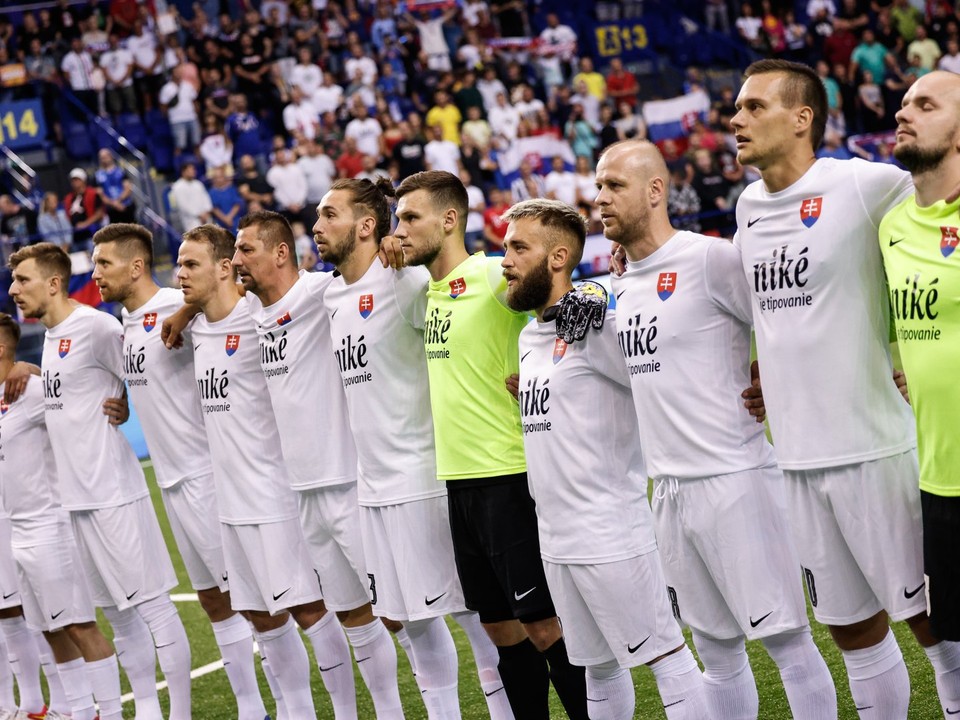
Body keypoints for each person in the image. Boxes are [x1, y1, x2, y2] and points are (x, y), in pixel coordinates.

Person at [730, 58, 960, 717]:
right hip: (797, 460)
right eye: (737, 108)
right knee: (852, 631)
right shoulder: (747, 207)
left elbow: (929, 236)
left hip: (877, 452)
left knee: (935, 626)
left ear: (802, 119)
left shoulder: (868, 186)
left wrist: (906, 353)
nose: (736, 119)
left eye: (753, 107)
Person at [598, 140, 838, 719]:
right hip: (670, 494)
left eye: (614, 186)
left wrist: (771, 379)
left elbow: (786, 319)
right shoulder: (621, 284)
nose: (600, 198)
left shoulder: (710, 259)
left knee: (786, 642)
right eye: (598, 186)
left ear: (656, 191)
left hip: (737, 482)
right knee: (716, 651)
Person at [383, 170, 590, 720]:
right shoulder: (427, 290)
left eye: (410, 218)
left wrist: (592, 296)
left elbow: (568, 292)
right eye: (396, 219)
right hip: (458, 482)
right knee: (500, 631)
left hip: (509, 476)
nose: (398, 230)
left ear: (449, 220)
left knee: (544, 626)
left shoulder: (493, 275)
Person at [500, 198, 709, 720]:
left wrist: (602, 289)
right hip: (556, 535)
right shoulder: (530, 336)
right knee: (597, 667)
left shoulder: (596, 324)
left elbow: (654, 369)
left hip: (611, 529)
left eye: (518, 247)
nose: (505, 259)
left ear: (558, 257)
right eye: (506, 247)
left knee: (664, 655)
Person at [313, 178, 514, 720]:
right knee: (410, 623)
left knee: (476, 615)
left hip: (427, 479)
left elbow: (483, 302)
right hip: (372, 489)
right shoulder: (329, 293)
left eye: (329, 214)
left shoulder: (404, 282)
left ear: (365, 225)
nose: (315, 225)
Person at [88, 224, 269, 720]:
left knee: (256, 604)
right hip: (171, 481)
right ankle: (251, 708)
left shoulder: (180, 305)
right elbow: (140, 376)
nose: (95, 272)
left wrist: (188, 307)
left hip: (211, 475)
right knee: (214, 602)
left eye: (104, 263)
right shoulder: (125, 323)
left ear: (136, 265)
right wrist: (124, 401)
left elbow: (236, 310)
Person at [227, 211, 400, 719]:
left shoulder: (319, 292)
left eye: (246, 250)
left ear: (281, 253)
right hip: (302, 489)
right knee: (351, 615)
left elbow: (365, 276)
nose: (236, 261)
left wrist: (389, 246)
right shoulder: (249, 314)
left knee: (396, 613)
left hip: (349, 479)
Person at [7, 242, 191, 720]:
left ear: (53, 282)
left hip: (113, 492)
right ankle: (145, 709)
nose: (13, 289)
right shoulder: (50, 338)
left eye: (23, 280)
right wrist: (28, 368)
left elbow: (137, 369)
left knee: (153, 607)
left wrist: (126, 399)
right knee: (117, 614)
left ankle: (181, 712)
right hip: (76, 502)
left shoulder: (97, 326)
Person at [173, 224, 323, 718]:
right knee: (259, 616)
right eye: (179, 263)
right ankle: (293, 711)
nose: (180, 273)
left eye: (191, 264)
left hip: (275, 495)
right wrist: (187, 308)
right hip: (229, 501)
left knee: (309, 610)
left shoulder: (260, 315)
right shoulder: (194, 328)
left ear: (223, 269)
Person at [0, 312, 128, 720]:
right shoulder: (6, 394)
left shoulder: (31, 390)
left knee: (77, 625)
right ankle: (73, 710)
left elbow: (80, 407)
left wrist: (121, 404)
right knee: (51, 629)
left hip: (50, 526)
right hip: (20, 532)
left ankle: (107, 712)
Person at [878, 71, 960, 647]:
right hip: (937, 478)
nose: (904, 112)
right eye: (904, 103)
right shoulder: (892, 227)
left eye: (925, 105)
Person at [63, 170, 104, 250]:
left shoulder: (93, 194)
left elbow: (99, 213)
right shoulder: (68, 198)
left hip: (91, 234)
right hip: (75, 236)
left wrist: (85, 224)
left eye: (77, 179)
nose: (74, 182)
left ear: (83, 180)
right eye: (72, 180)